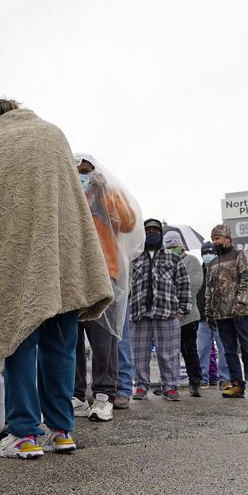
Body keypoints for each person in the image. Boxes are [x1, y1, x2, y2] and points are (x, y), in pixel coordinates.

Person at [0, 99, 112, 458]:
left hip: (12, 257)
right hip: (60, 259)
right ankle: (62, 432)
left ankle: (24, 434)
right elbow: (73, 201)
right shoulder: (53, 134)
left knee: (16, 339)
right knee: (61, 344)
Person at [71, 154, 142, 420]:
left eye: (86, 172)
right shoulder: (69, 197)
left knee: (103, 340)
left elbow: (129, 222)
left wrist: (102, 192)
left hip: (104, 275)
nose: (82, 177)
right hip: (74, 277)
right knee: (71, 340)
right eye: (77, 172)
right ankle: (77, 396)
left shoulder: (106, 196)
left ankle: (104, 396)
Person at [128, 219, 191, 401]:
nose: (152, 233)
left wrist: (182, 310)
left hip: (167, 314)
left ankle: (170, 387)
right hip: (139, 314)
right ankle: (140, 386)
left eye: (156, 230)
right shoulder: (134, 258)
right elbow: (126, 285)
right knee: (139, 354)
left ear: (161, 234)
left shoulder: (172, 258)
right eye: (148, 230)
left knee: (169, 353)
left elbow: (183, 284)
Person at [205, 224, 248, 401]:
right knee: (229, 351)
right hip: (222, 314)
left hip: (242, 312)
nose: (214, 242)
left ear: (227, 238)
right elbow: (209, 290)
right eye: (213, 239)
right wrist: (209, 312)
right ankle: (237, 385)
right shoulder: (212, 264)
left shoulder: (241, 255)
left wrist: (241, 303)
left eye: (217, 238)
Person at [164, 231, 204, 397]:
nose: (172, 249)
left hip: (188, 316)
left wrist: (178, 302)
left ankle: (194, 382)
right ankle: (168, 383)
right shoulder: (163, 263)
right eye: (168, 247)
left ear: (180, 245)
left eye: (174, 246)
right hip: (167, 316)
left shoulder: (192, 261)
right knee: (167, 353)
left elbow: (194, 285)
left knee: (189, 350)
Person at [196, 241, 231, 387]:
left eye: (210, 252)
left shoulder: (221, 269)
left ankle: (225, 378)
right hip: (202, 318)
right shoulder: (197, 271)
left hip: (220, 317)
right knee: (201, 349)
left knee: (224, 349)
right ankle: (202, 378)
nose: (207, 255)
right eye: (204, 253)